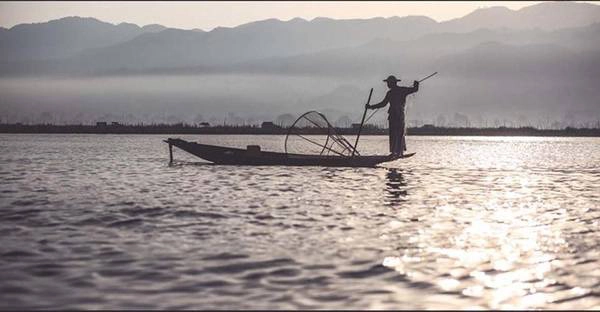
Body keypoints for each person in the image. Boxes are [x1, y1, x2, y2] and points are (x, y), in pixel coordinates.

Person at [366, 75, 419, 156]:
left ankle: (397, 152)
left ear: (392, 83)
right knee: (397, 133)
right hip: (396, 115)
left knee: (396, 133)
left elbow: (414, 89)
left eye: (388, 83)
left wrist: (370, 107)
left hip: (396, 115)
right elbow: (383, 104)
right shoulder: (397, 91)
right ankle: (397, 152)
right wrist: (371, 107)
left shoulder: (397, 91)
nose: (387, 85)